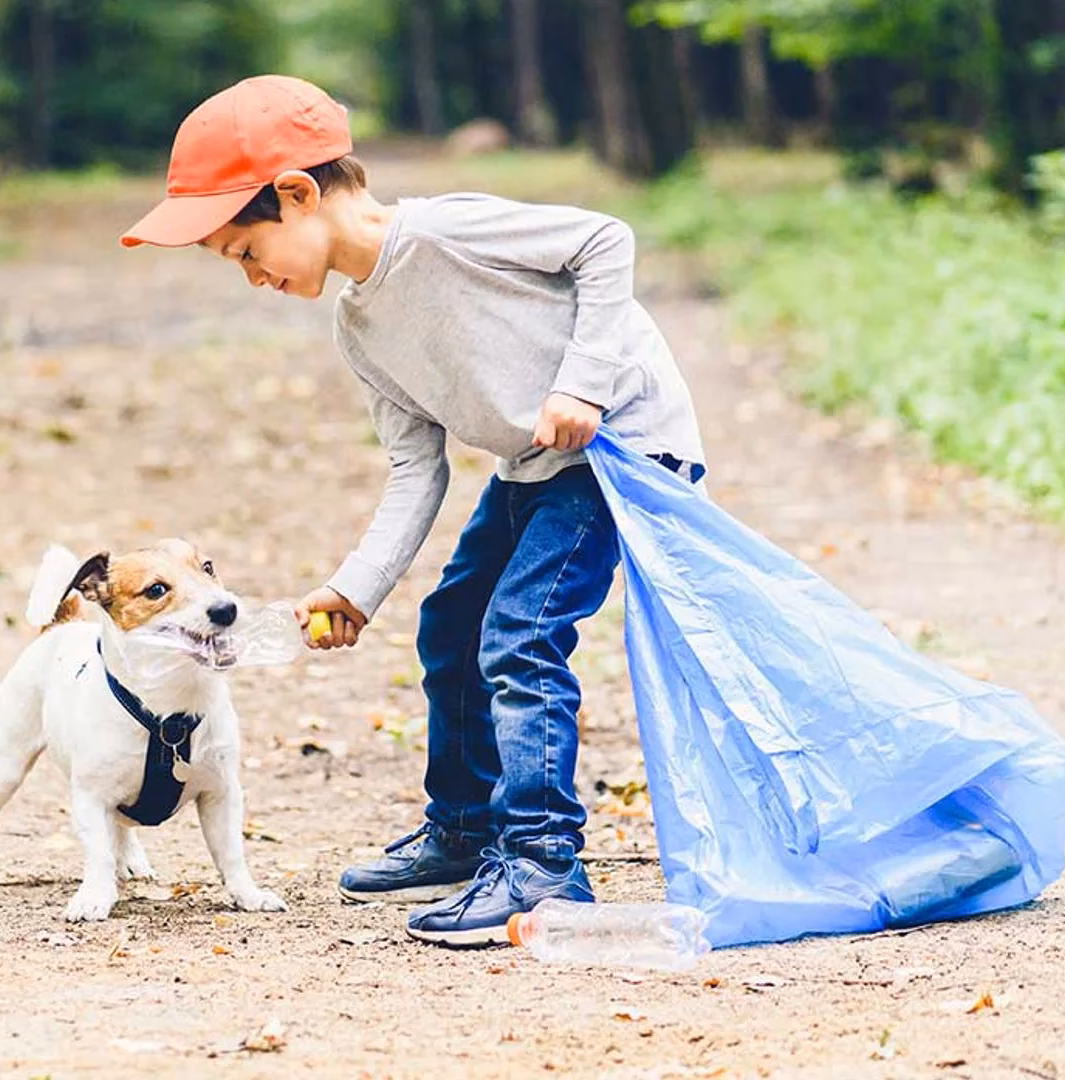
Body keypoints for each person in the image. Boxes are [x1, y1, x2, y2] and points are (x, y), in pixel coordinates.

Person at [120, 75, 706, 946]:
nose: (253, 278)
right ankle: (466, 830)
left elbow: (604, 240)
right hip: (536, 464)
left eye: (247, 251)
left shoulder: (444, 232)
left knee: (519, 632)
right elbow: (413, 469)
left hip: (623, 448)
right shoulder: (359, 327)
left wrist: (583, 381)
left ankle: (543, 860)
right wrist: (355, 589)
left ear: (297, 194)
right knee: (451, 623)